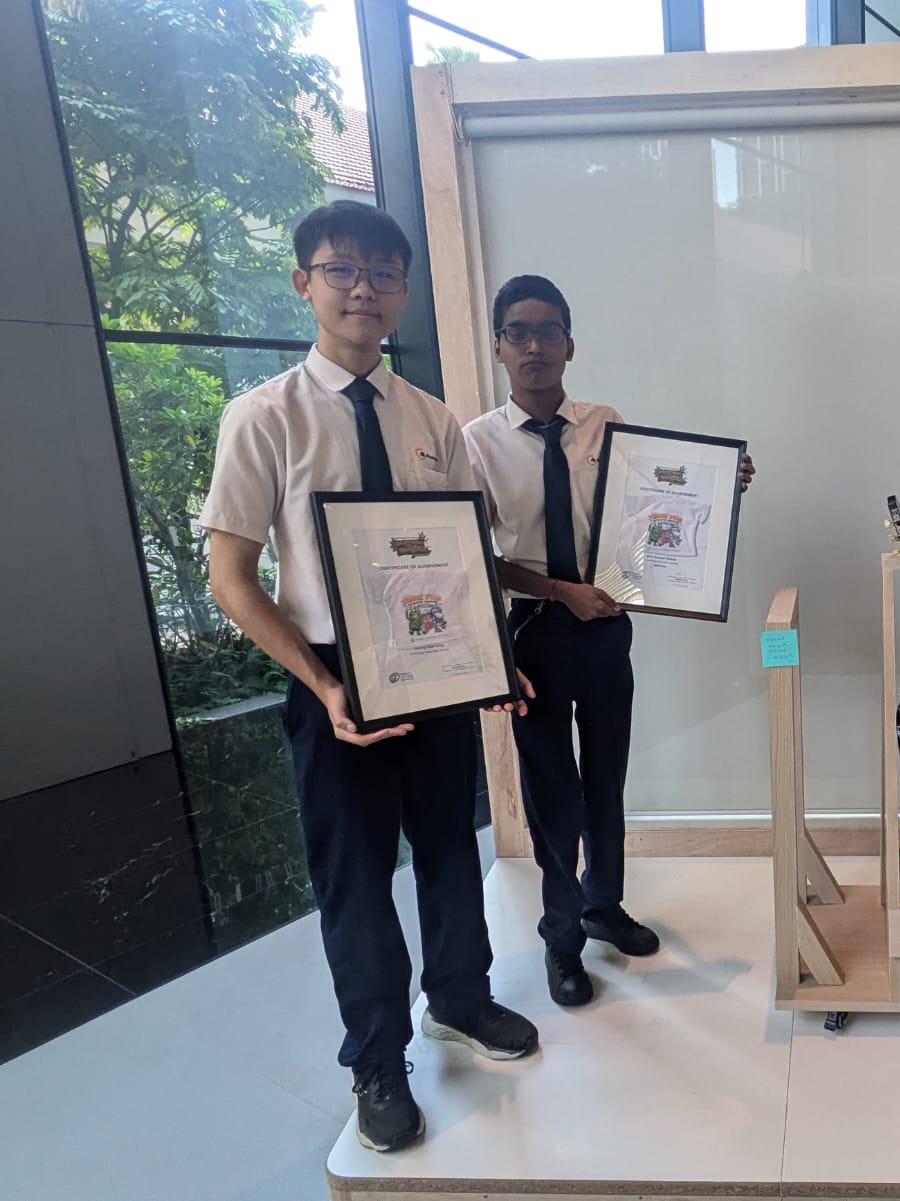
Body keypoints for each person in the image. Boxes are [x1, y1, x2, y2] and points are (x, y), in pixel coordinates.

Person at [201, 201, 538, 1154]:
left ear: (404, 289)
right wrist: (323, 685)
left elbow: (462, 560)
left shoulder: (433, 419)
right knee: (352, 877)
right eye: (341, 269)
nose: (364, 287)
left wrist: (493, 660)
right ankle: (376, 1058)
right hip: (333, 679)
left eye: (383, 272)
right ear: (304, 281)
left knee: (446, 845)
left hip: (433, 666)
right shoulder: (263, 417)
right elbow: (231, 578)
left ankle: (461, 999)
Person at [463, 275, 754, 1008]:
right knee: (552, 797)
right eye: (519, 331)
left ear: (570, 343)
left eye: (549, 330)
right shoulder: (476, 443)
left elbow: (653, 512)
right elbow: (478, 556)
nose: (535, 345)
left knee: (605, 783)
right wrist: (559, 590)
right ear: (498, 345)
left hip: (604, 631)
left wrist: (720, 490)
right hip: (533, 635)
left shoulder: (606, 424)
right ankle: (561, 938)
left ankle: (602, 904)